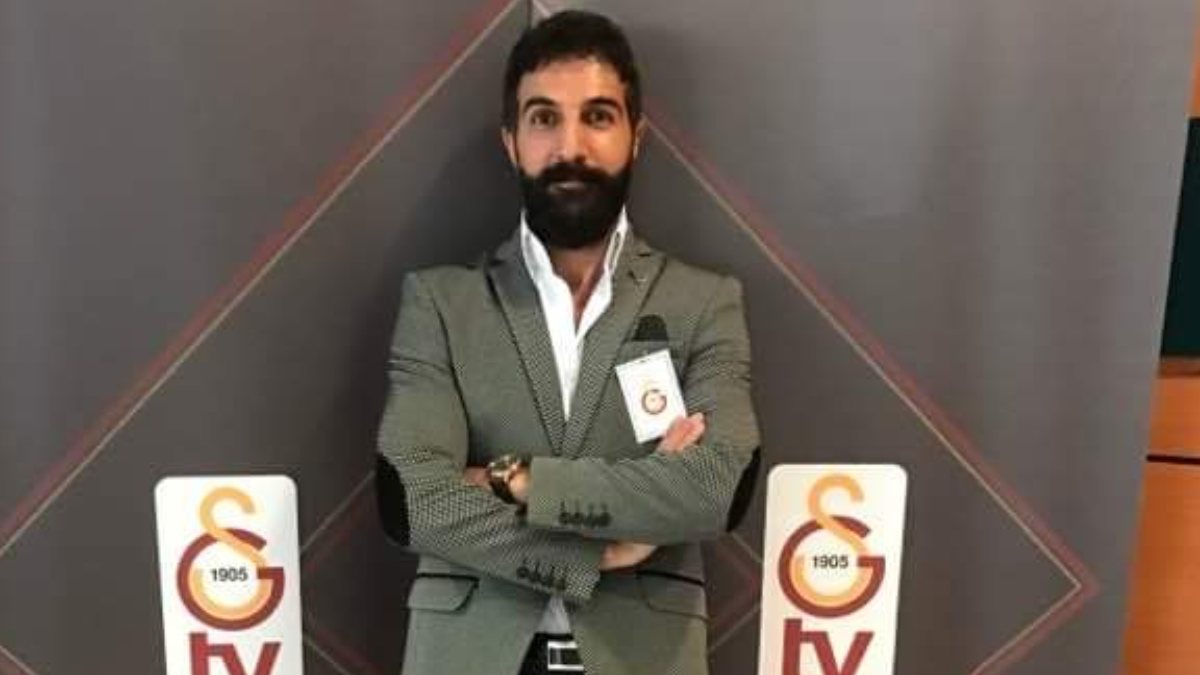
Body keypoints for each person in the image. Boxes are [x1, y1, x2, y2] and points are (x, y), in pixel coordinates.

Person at [377, 10, 760, 675]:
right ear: (511, 141)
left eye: (598, 116)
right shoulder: (440, 302)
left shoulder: (703, 303)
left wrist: (517, 478)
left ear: (636, 137)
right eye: (544, 118)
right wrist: (595, 553)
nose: (570, 146)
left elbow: (717, 486)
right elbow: (410, 496)